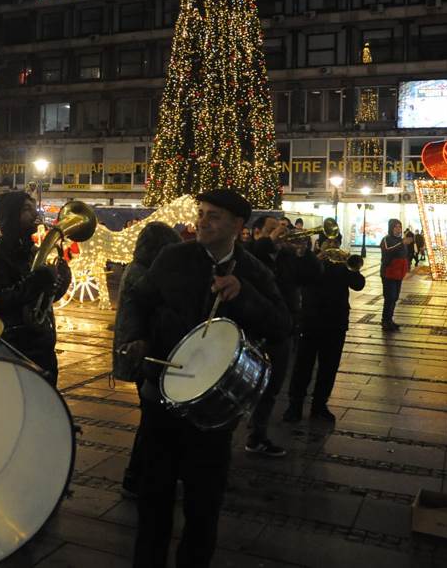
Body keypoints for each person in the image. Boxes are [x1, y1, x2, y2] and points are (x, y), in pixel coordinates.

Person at [118, 190, 289, 568]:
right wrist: (135, 336)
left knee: (203, 507)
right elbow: (136, 300)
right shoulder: (173, 257)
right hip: (161, 396)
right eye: (201, 213)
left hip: (214, 413)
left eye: (214, 216)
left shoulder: (254, 272)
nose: (202, 221)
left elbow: (281, 325)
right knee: (154, 502)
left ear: (238, 225)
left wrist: (243, 294)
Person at [242, 214, 322, 457]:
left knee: (272, 387)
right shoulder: (249, 252)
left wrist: (304, 252)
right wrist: (270, 240)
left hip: (282, 329)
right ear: (257, 233)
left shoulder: (287, 256)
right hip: (253, 330)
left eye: (283, 228)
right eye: (273, 228)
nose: (281, 232)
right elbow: (249, 259)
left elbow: (313, 276)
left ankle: (258, 436)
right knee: (243, 386)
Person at [113, 221, 182, 498]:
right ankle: (136, 479)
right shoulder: (143, 274)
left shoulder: (140, 269)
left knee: (152, 421)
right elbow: (158, 303)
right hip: (142, 353)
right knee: (151, 422)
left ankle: (144, 476)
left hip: (142, 350)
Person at [0, 191, 71, 385]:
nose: (34, 214)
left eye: (33, 208)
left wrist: (61, 278)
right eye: (26, 209)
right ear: (11, 216)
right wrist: (36, 280)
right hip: (16, 349)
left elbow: (45, 299)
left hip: (43, 346)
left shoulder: (32, 252)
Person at [284, 246, 365, 423]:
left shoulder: (343, 265)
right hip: (310, 320)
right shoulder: (311, 263)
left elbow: (358, 285)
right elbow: (298, 278)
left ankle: (320, 405)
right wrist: (312, 259)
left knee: (329, 367)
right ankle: (295, 405)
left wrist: (351, 267)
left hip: (336, 322)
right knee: (303, 365)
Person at [379, 219, 409, 332]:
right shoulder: (386, 239)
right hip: (388, 273)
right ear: (391, 228)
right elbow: (387, 250)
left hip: (398, 274)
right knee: (389, 297)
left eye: (400, 227)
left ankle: (389, 320)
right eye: (396, 227)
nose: (398, 229)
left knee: (395, 298)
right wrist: (402, 244)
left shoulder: (400, 240)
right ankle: (385, 321)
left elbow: (404, 255)